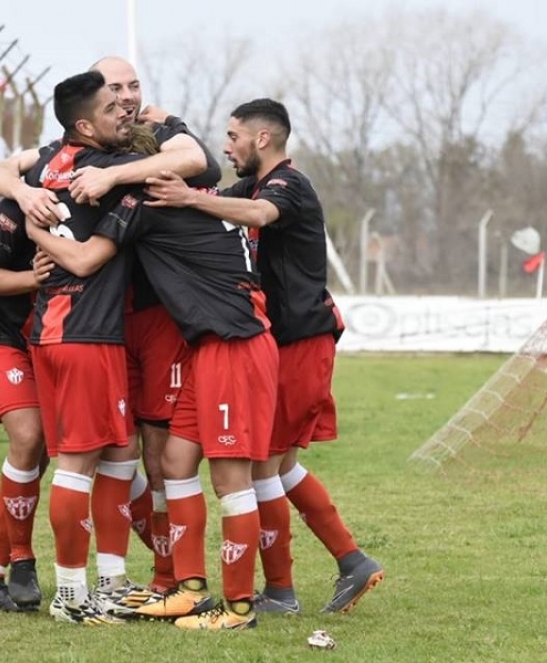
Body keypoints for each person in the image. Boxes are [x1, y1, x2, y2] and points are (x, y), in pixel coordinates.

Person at [24, 124, 278, 631]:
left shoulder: (144, 201)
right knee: (176, 460)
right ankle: (189, 590)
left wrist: (35, 226)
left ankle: (239, 608)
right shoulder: (181, 192)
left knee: (231, 477)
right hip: (206, 346)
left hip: (235, 343)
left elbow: (82, 257)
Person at [0, 59, 211, 604]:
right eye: (113, 97)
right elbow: (85, 258)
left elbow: (199, 160)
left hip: (72, 329)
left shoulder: (54, 163)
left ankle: (110, 581)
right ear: (86, 120)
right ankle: (71, 592)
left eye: (132, 90)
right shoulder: (111, 165)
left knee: (120, 453)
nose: (126, 102)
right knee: (81, 461)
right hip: (86, 332)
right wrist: (34, 210)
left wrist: (33, 196)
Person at [146, 98, 385, 615]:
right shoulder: (249, 185)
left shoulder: (285, 186)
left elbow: (256, 214)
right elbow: (207, 197)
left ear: (262, 139)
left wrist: (189, 197)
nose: (225, 146)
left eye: (232, 136)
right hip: (280, 344)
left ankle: (281, 591)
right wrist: (168, 132)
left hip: (300, 341)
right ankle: (350, 561)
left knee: (263, 468)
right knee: (279, 466)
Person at [0, 183, 53, 612]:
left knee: (38, 457)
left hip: (50, 342)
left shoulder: (100, 195)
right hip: (0, 339)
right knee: (29, 437)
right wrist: (31, 279)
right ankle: (22, 560)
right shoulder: (13, 210)